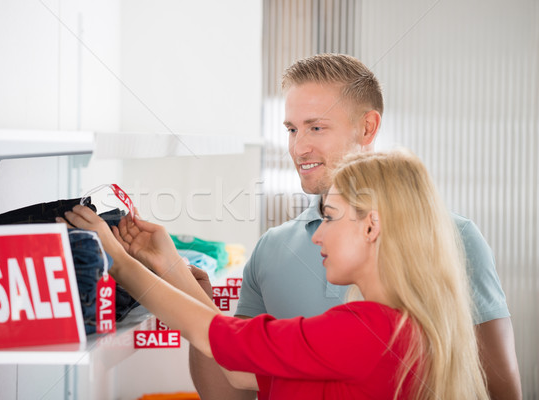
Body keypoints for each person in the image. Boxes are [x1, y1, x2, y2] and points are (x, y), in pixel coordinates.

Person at [188, 54, 521, 400]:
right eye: (291, 129)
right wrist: (197, 302)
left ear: (367, 128)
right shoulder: (270, 249)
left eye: (316, 127)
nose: (298, 147)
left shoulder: (454, 238)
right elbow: (230, 389)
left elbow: (500, 388)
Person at [62, 149, 490, 399]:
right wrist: (168, 263)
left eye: (331, 217)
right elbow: (236, 367)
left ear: (371, 226)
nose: (318, 235)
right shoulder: (405, 329)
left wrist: (118, 262)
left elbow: (222, 338)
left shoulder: (361, 332)